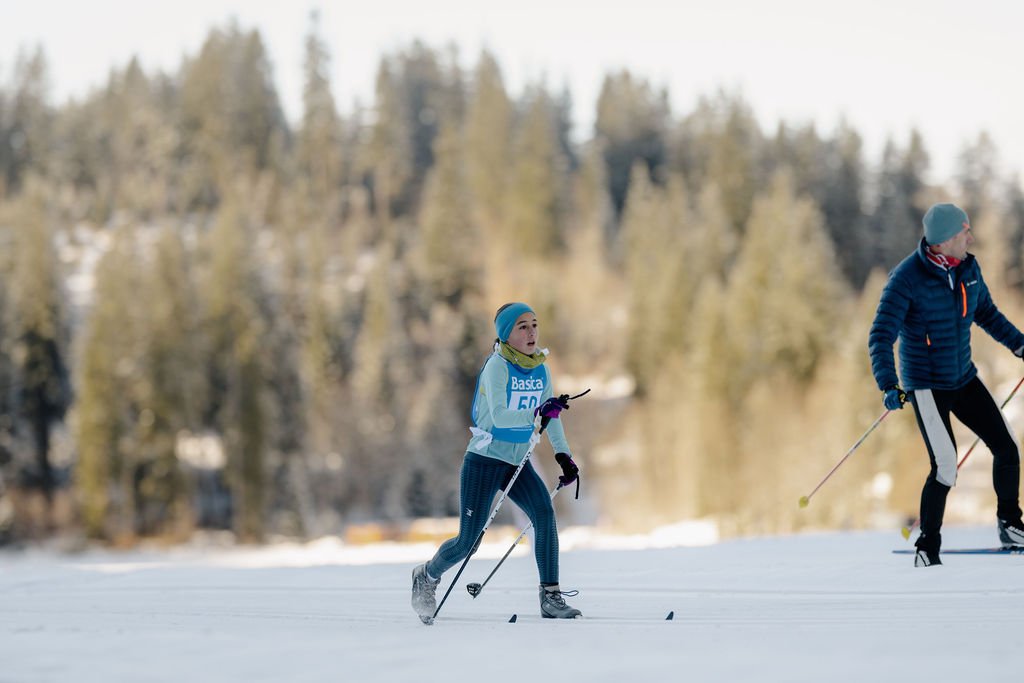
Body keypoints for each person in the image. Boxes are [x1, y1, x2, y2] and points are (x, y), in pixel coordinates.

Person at [869, 202, 1024, 567]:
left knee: (1007, 448)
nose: (970, 238)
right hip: (926, 385)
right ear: (945, 240)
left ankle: (1010, 525)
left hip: (963, 377)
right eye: (964, 233)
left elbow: (987, 314)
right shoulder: (906, 278)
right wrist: (888, 384)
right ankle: (927, 546)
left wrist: (1019, 345)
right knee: (946, 465)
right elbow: (881, 335)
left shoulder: (968, 268)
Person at [411, 302, 582, 621]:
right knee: (468, 542)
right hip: (484, 461)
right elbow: (501, 417)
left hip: (517, 461)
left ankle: (550, 597)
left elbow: (552, 417)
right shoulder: (497, 367)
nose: (531, 332)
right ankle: (427, 575)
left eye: (534, 324)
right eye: (522, 326)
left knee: (544, 515)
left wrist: (563, 455)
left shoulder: (540, 368)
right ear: (506, 334)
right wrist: (537, 412)